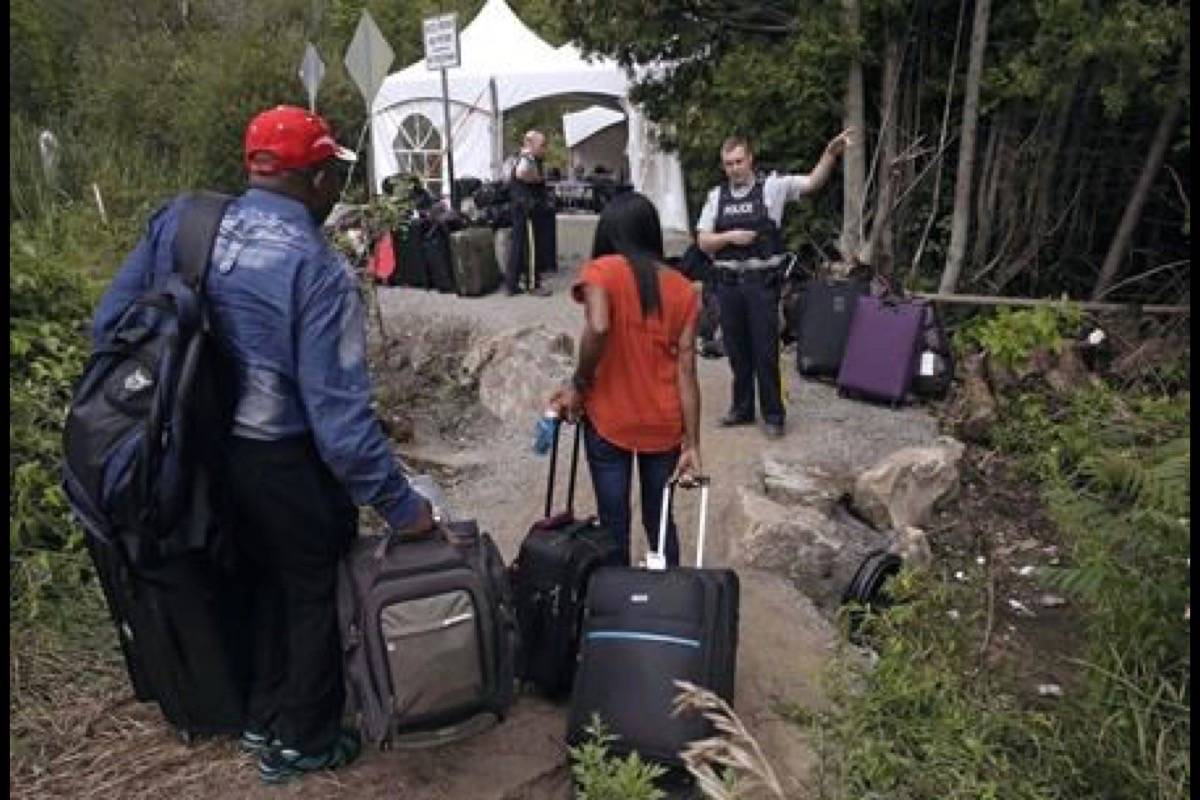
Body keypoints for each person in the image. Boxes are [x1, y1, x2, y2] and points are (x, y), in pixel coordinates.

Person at [91, 104, 436, 785]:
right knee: (309, 585)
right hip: (279, 456)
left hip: (194, 451)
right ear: (311, 181)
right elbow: (338, 424)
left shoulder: (182, 223)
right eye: (331, 176)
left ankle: (260, 714)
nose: (336, 190)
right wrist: (402, 506)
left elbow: (111, 326)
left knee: (253, 578)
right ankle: (303, 740)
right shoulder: (317, 270)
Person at [549, 192, 702, 567]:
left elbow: (598, 326)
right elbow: (687, 370)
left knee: (614, 520)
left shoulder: (602, 271)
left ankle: (617, 606)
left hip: (609, 418)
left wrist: (579, 384)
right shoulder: (683, 288)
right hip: (662, 423)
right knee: (659, 520)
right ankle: (667, 600)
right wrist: (693, 444)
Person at [695, 130, 853, 439]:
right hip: (727, 285)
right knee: (737, 351)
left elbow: (812, 182)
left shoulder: (773, 188)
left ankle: (773, 414)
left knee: (765, 352)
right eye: (728, 164)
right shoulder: (716, 197)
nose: (734, 168)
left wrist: (830, 154)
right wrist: (730, 238)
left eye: (739, 161)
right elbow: (703, 242)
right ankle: (741, 408)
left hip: (760, 284)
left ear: (750, 159)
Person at [505, 129, 556, 296]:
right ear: (531, 144)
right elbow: (521, 174)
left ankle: (512, 284)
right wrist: (537, 178)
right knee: (531, 247)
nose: (544, 148)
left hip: (521, 206)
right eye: (542, 145)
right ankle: (533, 285)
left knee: (519, 246)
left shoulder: (523, 156)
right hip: (526, 207)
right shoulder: (527, 158)